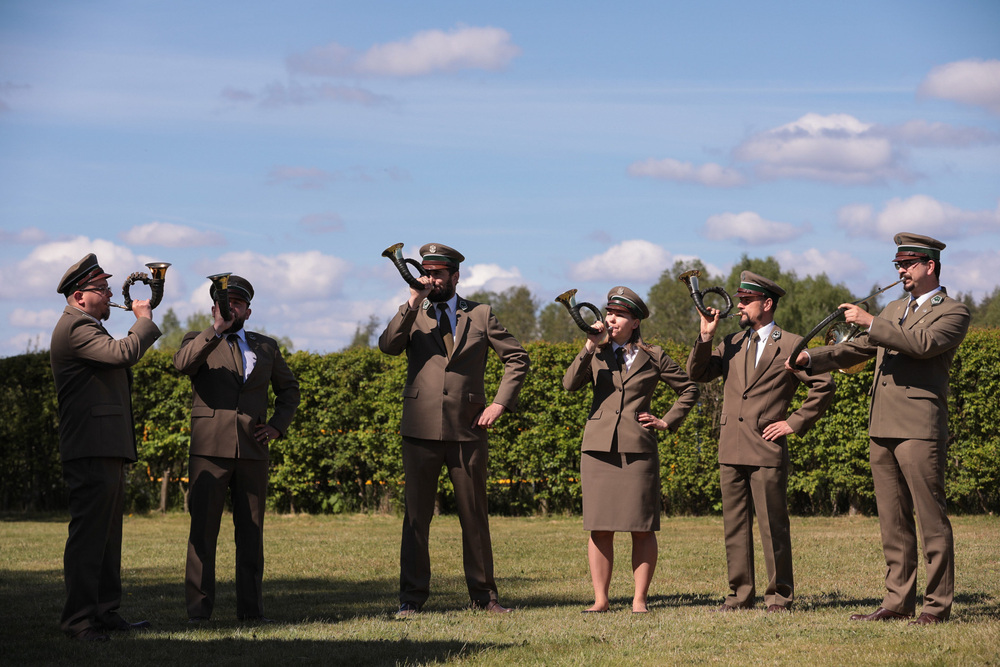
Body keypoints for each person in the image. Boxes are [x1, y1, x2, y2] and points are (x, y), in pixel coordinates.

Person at [787, 233, 969, 625]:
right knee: (893, 520)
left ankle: (936, 607)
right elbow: (860, 349)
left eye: (908, 264)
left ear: (930, 266)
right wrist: (811, 358)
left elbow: (922, 344)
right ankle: (898, 602)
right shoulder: (893, 308)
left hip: (919, 427)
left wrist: (871, 321)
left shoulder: (954, 311)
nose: (901, 271)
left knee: (931, 519)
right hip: (881, 424)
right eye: (898, 265)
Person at [378, 243, 529, 616]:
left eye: (438, 274)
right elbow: (388, 346)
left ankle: (484, 597)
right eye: (426, 272)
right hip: (419, 430)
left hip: (468, 429)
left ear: (455, 276)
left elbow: (517, 358)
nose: (431, 279)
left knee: (474, 515)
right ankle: (411, 599)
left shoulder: (481, 314)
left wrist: (499, 403)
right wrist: (412, 302)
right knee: (416, 518)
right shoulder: (412, 313)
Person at [687, 271, 834, 613]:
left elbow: (824, 385)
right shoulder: (730, 342)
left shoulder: (791, 344)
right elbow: (698, 373)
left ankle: (779, 596)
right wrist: (705, 337)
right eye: (739, 300)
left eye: (746, 300)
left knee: (773, 526)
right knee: (735, 527)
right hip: (731, 447)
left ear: (766, 304)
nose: (739, 306)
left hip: (767, 448)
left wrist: (793, 423)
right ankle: (740, 595)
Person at [562, 286, 698, 613]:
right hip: (598, 449)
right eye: (609, 313)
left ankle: (639, 600)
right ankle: (601, 600)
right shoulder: (596, 352)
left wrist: (666, 421)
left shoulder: (655, 355)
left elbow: (689, 389)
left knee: (642, 526)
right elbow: (569, 384)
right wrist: (588, 345)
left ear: (635, 322)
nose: (611, 319)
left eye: (619, 315)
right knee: (599, 526)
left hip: (638, 449)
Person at [174, 275, 300, 623]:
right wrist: (216, 330)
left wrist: (277, 426)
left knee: (251, 534)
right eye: (224, 304)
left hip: (253, 450)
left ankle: (251, 611)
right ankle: (199, 613)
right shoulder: (196, 339)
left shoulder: (266, 346)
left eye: (237, 304)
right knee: (203, 532)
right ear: (214, 308)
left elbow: (289, 391)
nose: (231, 309)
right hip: (209, 451)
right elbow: (182, 365)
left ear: (248, 310)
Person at [50, 253, 161, 641]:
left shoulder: (87, 326)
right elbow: (122, 354)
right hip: (91, 448)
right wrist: (143, 320)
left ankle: (104, 612)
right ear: (80, 296)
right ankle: (79, 621)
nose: (111, 294)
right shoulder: (77, 327)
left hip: (103, 447)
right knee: (89, 539)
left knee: (108, 538)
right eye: (102, 289)